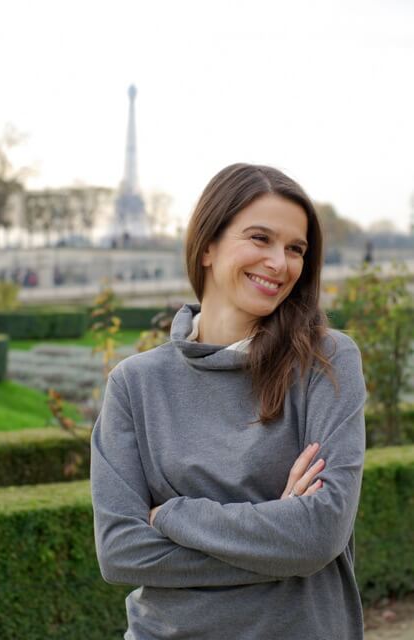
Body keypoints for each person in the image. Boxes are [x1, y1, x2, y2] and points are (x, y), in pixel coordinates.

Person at [90, 163, 366, 640]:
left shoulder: (326, 360)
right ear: (207, 247)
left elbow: (319, 535)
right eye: (260, 238)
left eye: (295, 249)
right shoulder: (135, 384)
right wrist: (278, 539)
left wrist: (173, 516)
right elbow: (120, 552)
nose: (280, 263)